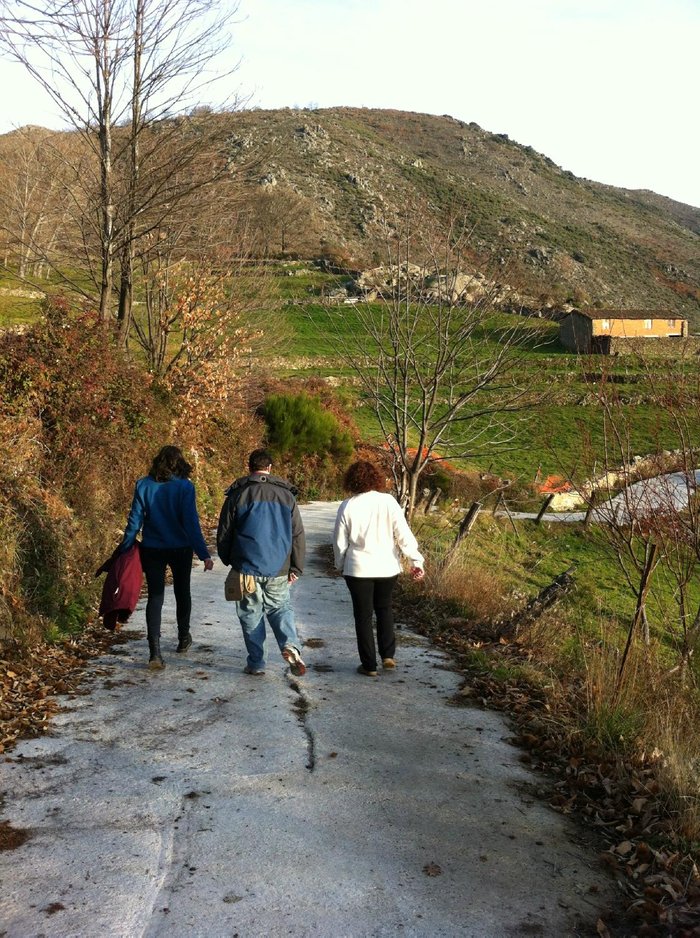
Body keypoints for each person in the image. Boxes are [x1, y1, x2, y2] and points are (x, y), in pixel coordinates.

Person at [119, 445, 213, 670]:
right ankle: (183, 639)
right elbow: (191, 523)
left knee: (155, 597)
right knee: (182, 592)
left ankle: (155, 653)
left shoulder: (143, 485)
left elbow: (135, 521)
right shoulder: (185, 487)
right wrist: (204, 553)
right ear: (179, 464)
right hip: (180, 548)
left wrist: (125, 546)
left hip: (153, 548)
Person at [216, 449, 306, 677]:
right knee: (280, 608)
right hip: (278, 567)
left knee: (250, 613)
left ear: (249, 467)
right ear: (270, 467)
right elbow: (297, 534)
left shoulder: (238, 494)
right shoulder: (287, 496)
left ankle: (256, 663)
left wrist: (228, 559)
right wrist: (296, 567)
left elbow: (225, 532)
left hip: (246, 567)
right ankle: (290, 646)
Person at [333, 460, 424, 677]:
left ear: (351, 481)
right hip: (387, 567)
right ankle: (388, 655)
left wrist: (339, 564)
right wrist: (415, 560)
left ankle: (369, 665)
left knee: (363, 616)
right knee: (384, 609)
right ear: (375, 478)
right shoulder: (388, 502)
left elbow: (339, 542)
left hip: (358, 569)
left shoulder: (347, 505)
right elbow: (403, 534)